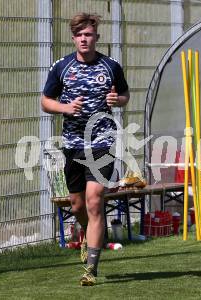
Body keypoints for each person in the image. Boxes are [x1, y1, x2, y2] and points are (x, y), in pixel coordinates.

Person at [41, 13, 130, 286]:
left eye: (88, 34)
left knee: (94, 200)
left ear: (96, 38)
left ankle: (90, 269)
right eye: (79, 35)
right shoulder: (62, 67)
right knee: (78, 204)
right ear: (73, 38)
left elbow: (125, 95)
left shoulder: (111, 66)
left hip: (102, 141)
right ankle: (89, 231)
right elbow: (45, 101)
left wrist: (118, 99)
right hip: (72, 144)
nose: (84, 39)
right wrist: (65, 108)